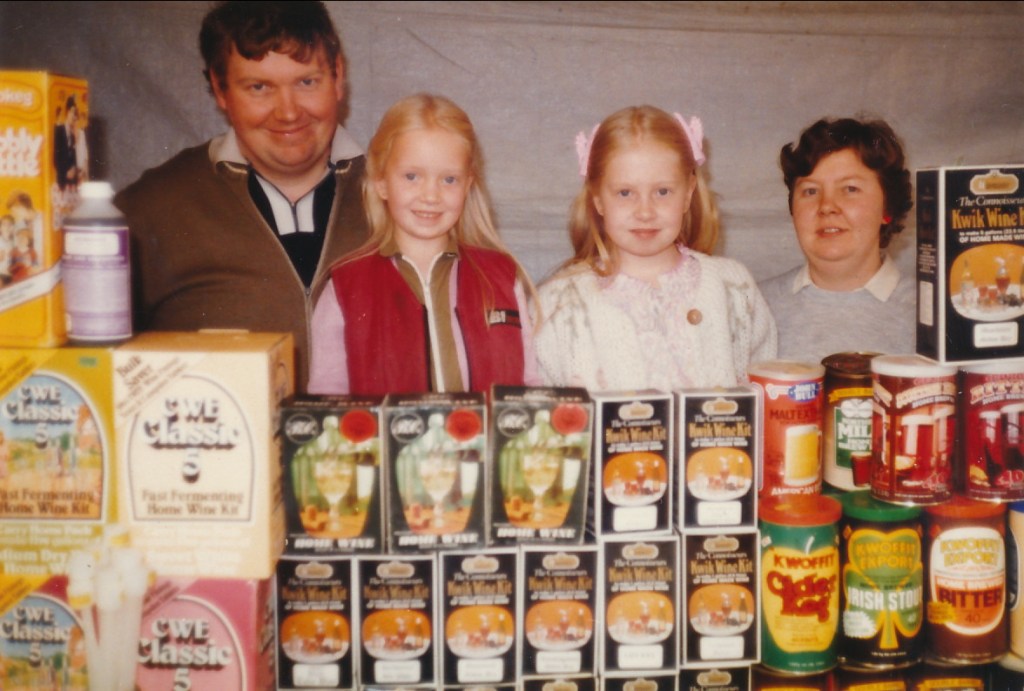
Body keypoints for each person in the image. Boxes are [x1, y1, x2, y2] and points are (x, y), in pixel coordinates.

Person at [115, 1, 368, 389]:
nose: (287, 113)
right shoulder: (149, 208)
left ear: (338, 76)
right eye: (259, 87)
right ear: (219, 89)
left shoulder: (409, 197)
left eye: (306, 82)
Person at [308, 94, 536, 395]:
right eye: (412, 176)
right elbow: (326, 397)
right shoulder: (343, 287)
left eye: (449, 180)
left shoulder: (503, 278)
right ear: (381, 181)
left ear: (468, 185)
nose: (431, 195)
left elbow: (532, 385)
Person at [534, 105, 776, 391]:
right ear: (598, 198)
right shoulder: (557, 303)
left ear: (688, 193)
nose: (645, 212)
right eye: (625, 193)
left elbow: (767, 391)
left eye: (662, 192)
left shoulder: (733, 287)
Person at [759, 117, 914, 362]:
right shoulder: (753, 306)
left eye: (850, 189)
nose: (827, 206)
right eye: (810, 191)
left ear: (888, 208)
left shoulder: (932, 312)